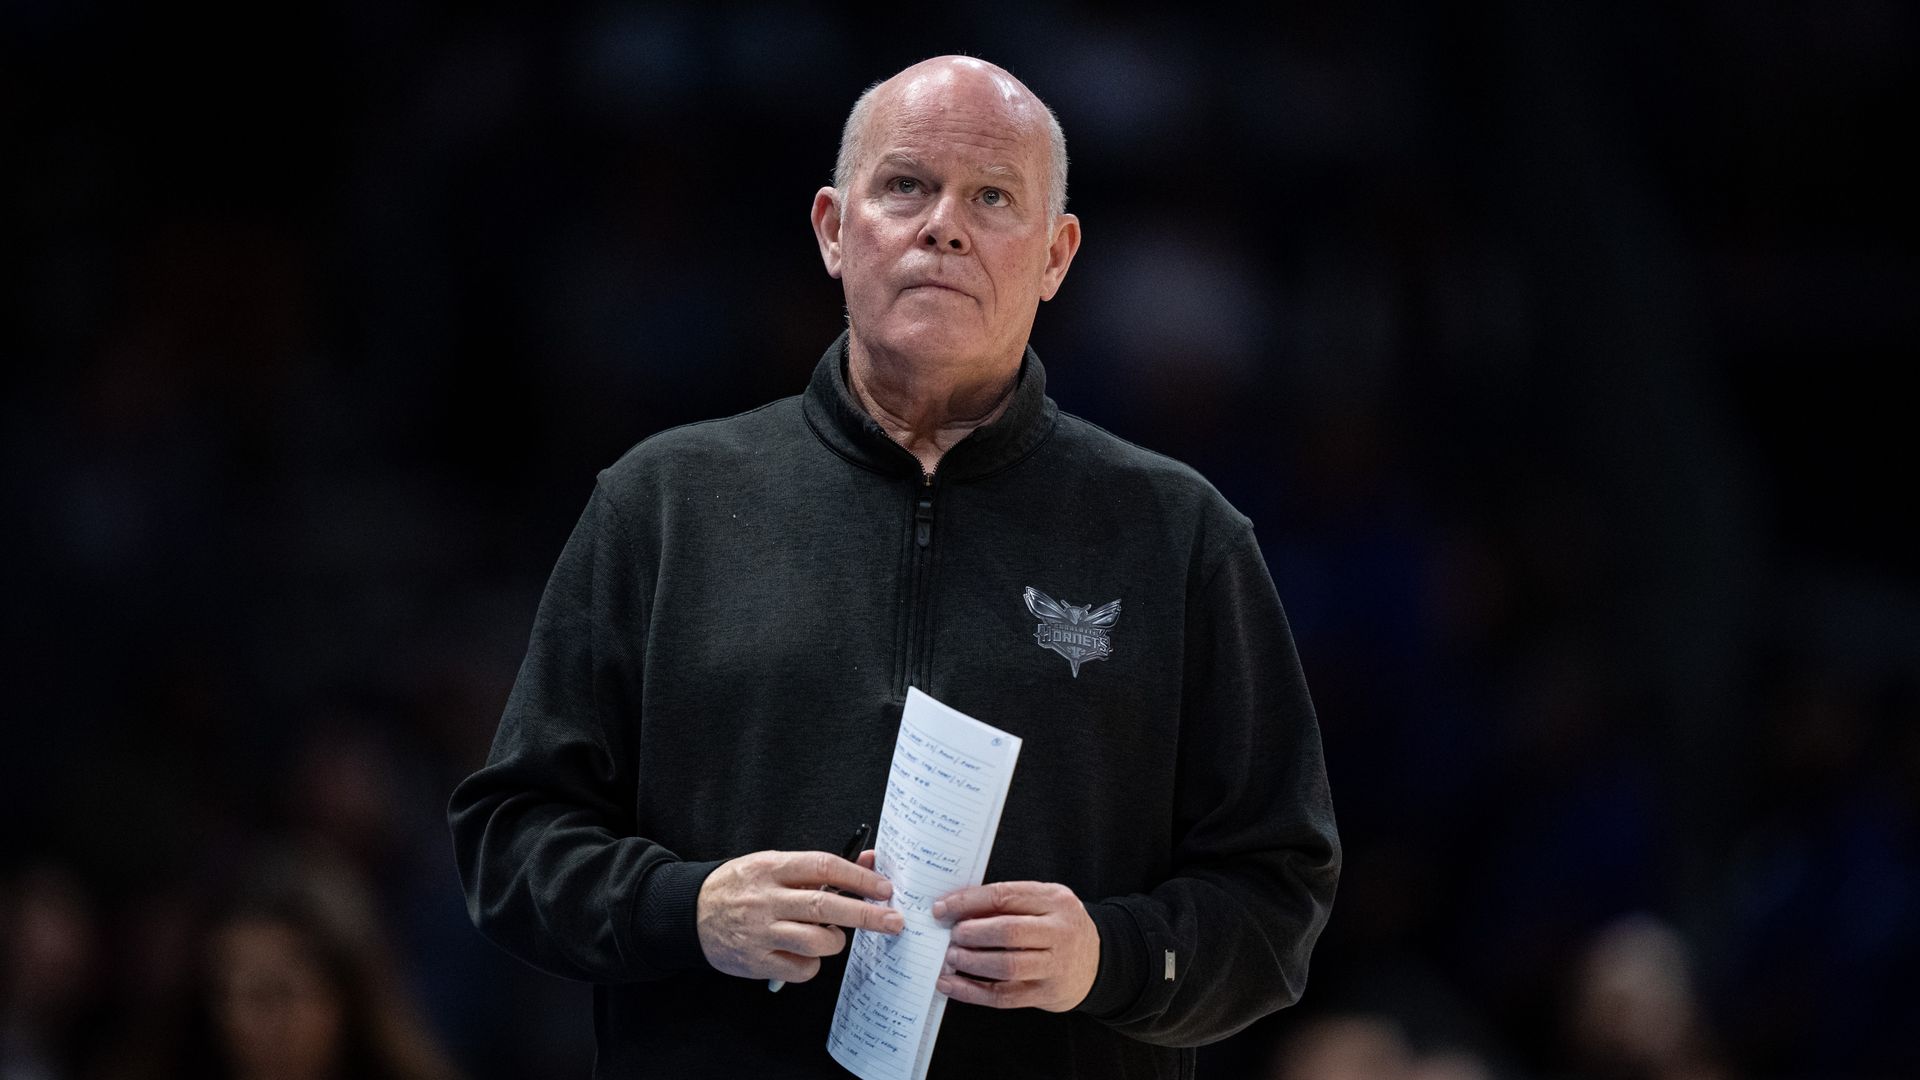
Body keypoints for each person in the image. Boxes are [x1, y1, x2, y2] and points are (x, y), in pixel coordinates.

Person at [448, 55, 1339, 1078]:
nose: (944, 225)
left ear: (1057, 256)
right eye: (906, 185)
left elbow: (1280, 894)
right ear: (835, 228)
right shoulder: (664, 505)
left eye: (993, 197)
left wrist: (1115, 954)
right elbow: (509, 841)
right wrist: (688, 908)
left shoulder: (1181, 536)